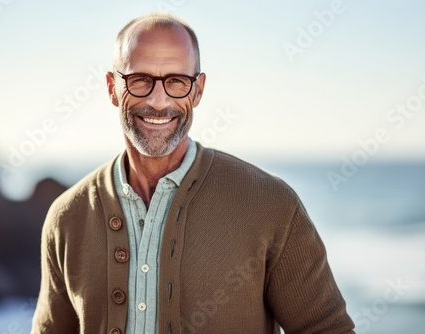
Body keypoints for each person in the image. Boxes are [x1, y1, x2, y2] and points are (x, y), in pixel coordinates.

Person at [31, 12, 355, 334]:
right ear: (112, 88)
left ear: (198, 90)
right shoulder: (66, 218)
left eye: (176, 81)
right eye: (139, 79)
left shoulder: (272, 206)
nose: (158, 102)